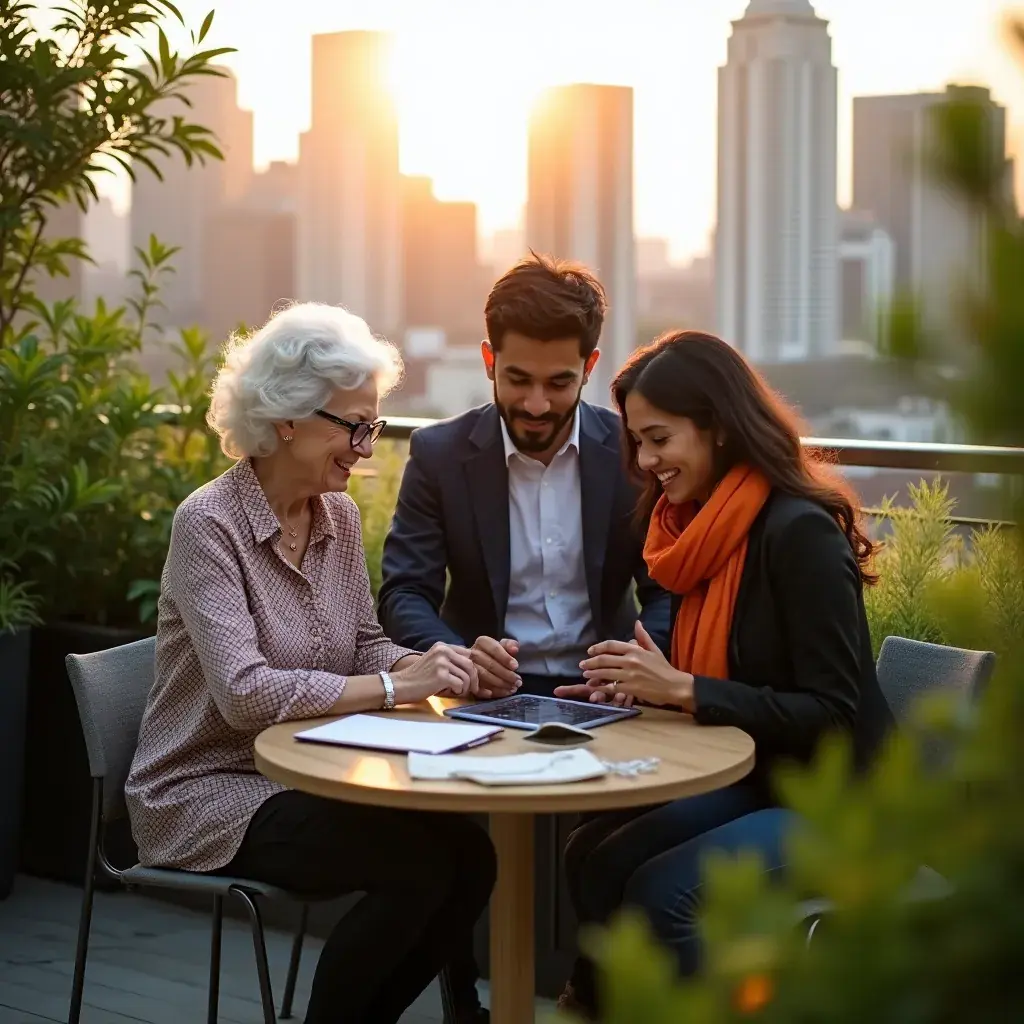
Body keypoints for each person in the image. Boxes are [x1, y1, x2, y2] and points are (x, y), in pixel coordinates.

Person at [125, 303, 496, 1024]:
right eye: (355, 426)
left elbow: (362, 642)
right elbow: (243, 695)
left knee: (471, 859)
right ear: (288, 418)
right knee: (417, 869)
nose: (367, 447)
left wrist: (437, 664)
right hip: (207, 793)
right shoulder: (209, 525)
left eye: (374, 425)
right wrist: (396, 685)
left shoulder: (338, 516)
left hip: (303, 771)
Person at [551, 330, 895, 1015]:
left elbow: (833, 712)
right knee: (593, 851)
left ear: (718, 428)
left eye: (659, 439)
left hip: (837, 798)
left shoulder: (798, 532)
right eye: (637, 443)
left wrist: (685, 689)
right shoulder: (699, 528)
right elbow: (738, 666)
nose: (646, 463)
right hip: (763, 771)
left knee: (663, 890)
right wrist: (657, 678)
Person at [377, 253, 673, 1016]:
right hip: (478, 697)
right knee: (440, 856)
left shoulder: (631, 457)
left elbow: (668, 588)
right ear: (488, 361)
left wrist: (641, 656)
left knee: (619, 850)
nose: (537, 404)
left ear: (591, 367)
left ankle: (589, 998)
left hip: (602, 694)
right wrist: (448, 651)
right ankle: (463, 1005)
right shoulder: (440, 455)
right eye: (517, 380)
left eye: (558, 382)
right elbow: (405, 591)